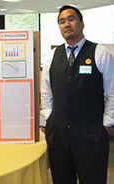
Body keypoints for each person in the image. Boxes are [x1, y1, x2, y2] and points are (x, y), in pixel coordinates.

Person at [41, 5, 114, 184]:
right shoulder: (52, 56)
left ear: (81, 23)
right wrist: (50, 117)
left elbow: (112, 93)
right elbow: (46, 91)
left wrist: (106, 125)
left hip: (91, 132)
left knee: (93, 179)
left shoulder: (100, 53)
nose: (67, 24)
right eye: (62, 21)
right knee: (61, 179)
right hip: (59, 133)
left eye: (71, 19)